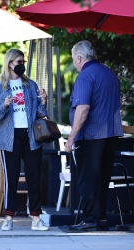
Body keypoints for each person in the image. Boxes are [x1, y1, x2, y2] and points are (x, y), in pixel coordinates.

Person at [0, 48, 49, 231]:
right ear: (10, 63)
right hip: (9, 137)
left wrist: (43, 102)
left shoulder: (30, 85)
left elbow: (40, 114)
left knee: (34, 177)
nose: (22, 65)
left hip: (31, 136)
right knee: (11, 179)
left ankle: (36, 218)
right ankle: (8, 217)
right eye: (19, 62)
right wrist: (4, 106)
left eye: (24, 62)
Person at [65, 40, 123, 231]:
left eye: (74, 59)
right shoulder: (109, 74)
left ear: (79, 58)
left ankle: (90, 219)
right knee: (102, 178)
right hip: (111, 134)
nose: (74, 62)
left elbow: (82, 109)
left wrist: (71, 137)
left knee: (88, 178)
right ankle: (101, 218)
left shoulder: (85, 76)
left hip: (91, 136)